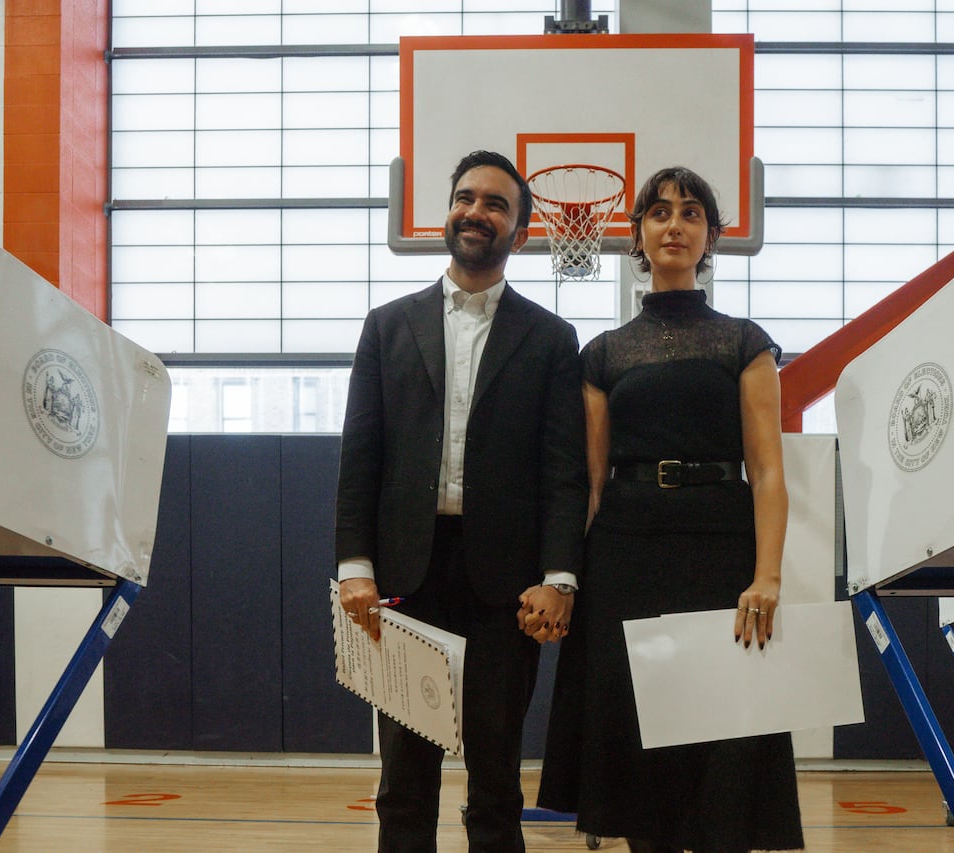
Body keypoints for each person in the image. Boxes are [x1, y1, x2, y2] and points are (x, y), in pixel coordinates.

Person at [537, 166, 805, 853]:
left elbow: (769, 470)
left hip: (720, 550)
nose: (674, 224)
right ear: (639, 236)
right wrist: (567, 579)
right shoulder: (602, 353)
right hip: (625, 555)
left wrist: (767, 575)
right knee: (640, 753)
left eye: (690, 213)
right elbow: (589, 485)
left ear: (711, 235)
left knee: (722, 746)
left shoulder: (744, 342)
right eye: (659, 212)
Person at [335, 149, 588, 853]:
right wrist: (355, 562)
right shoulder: (386, 327)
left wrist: (559, 575)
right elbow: (360, 457)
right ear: (448, 211)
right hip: (406, 583)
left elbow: (563, 473)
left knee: (497, 785)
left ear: (524, 231)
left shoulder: (551, 339)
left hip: (505, 588)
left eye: (497, 203)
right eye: (467, 197)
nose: (477, 211)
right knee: (404, 786)